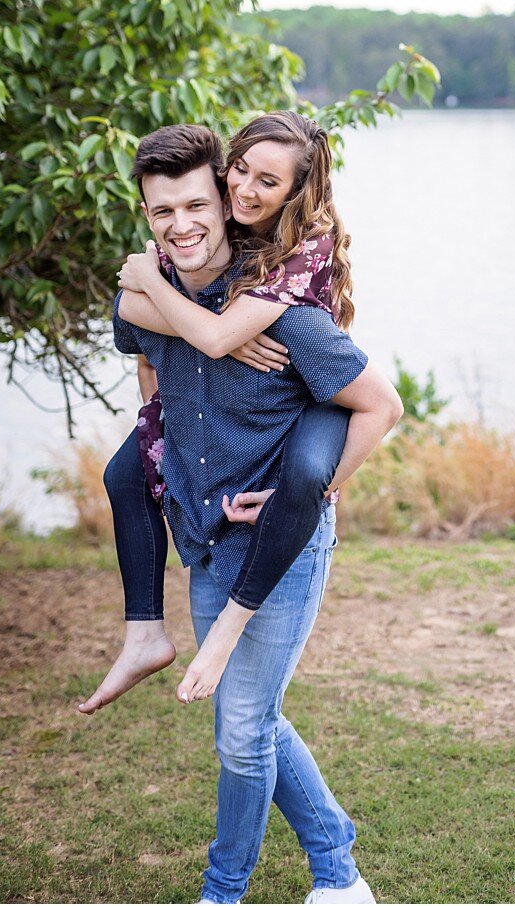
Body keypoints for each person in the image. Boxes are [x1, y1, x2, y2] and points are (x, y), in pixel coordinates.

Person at [108, 122, 402, 905]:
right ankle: (339, 872)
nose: (193, 218)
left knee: (240, 729)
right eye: (163, 212)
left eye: (201, 201)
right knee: (254, 719)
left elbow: (381, 405)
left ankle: (222, 892)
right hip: (207, 541)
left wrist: (318, 486)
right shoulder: (156, 294)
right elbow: (147, 354)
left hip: (283, 541)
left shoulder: (283, 310)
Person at [79, 111, 355, 713]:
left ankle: (229, 619)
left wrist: (231, 329)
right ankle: (143, 631)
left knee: (306, 477)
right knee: (123, 473)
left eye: (268, 182)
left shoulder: (297, 252)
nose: (247, 189)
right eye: (241, 172)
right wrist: (153, 293)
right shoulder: (211, 241)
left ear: (294, 191)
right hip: (231, 338)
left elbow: (219, 335)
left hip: (315, 394)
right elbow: (140, 325)